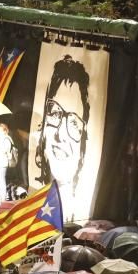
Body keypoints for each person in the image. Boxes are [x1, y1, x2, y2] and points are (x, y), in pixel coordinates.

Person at [33, 55, 92, 220]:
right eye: (55, 113)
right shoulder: (39, 198)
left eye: (74, 123)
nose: (60, 135)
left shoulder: (75, 212)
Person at [0, 122, 15, 211]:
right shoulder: (0, 140)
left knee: (1, 181)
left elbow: (4, 150)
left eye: (0, 131)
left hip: (2, 163)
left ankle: (3, 201)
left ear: (5, 131)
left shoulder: (6, 139)